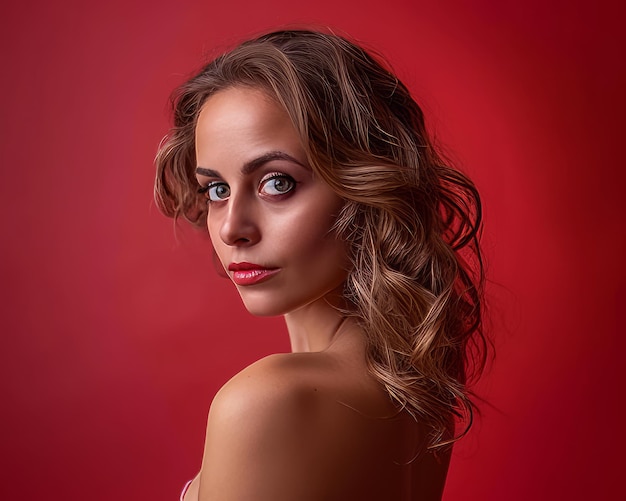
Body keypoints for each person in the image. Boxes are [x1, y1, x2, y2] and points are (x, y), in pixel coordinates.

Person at [154, 29, 488, 501]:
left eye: (276, 183)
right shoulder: (415, 393)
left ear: (363, 184)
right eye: (217, 190)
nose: (232, 228)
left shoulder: (266, 402)